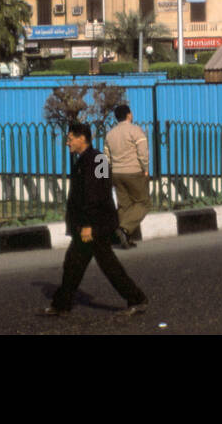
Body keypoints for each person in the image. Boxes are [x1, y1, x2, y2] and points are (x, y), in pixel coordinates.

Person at [43, 121, 148, 317]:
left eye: (70, 138)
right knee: (76, 263)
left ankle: (137, 299)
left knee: (101, 265)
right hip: (92, 223)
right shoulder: (86, 160)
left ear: (82, 138)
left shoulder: (97, 159)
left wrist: (89, 225)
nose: (68, 143)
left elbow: (97, 194)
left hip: (95, 224)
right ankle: (62, 304)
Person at [105, 104, 150, 249]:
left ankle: (125, 239)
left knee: (124, 206)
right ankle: (124, 229)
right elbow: (143, 153)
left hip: (116, 173)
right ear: (129, 115)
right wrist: (145, 168)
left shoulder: (110, 134)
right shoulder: (136, 131)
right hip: (133, 172)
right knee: (143, 203)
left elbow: (107, 157)